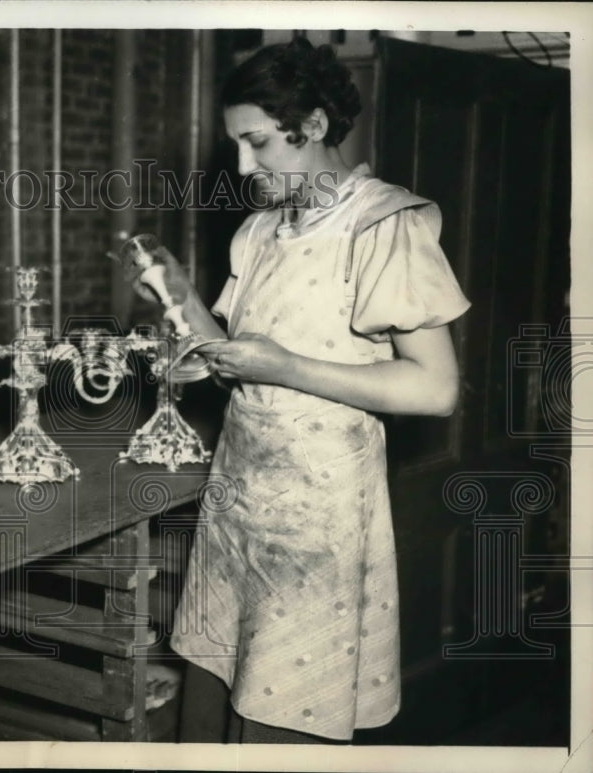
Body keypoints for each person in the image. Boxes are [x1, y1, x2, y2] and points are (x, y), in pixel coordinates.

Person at [161, 38, 471, 743]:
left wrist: (286, 368)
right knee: (214, 701)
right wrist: (178, 298)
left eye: (261, 143)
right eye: (237, 145)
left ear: (319, 126)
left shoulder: (382, 224)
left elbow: (436, 387)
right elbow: (237, 353)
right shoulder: (260, 230)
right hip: (238, 499)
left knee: (282, 714)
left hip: (318, 518)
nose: (246, 166)